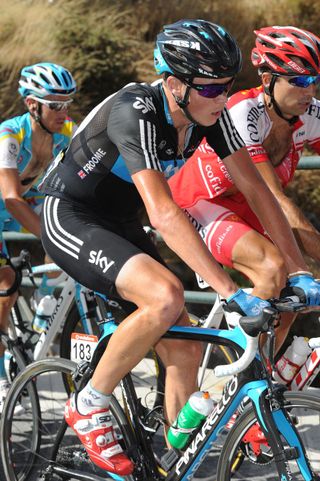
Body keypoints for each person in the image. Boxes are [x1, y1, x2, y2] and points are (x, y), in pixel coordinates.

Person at [39, 20, 320, 475]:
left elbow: (259, 193)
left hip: (120, 222)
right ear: (174, 83)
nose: (222, 98)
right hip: (70, 214)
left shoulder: (211, 115)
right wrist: (229, 293)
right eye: (210, 88)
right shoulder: (136, 110)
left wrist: (300, 270)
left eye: (227, 87)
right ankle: (88, 403)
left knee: (185, 350)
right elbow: (164, 213)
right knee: (166, 296)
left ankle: (174, 462)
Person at [168, 25, 320, 350]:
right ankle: (242, 378)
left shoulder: (311, 114)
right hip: (200, 202)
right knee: (274, 266)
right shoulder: (242, 112)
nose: (310, 90)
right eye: (301, 80)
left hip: (248, 209)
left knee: (292, 294)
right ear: (267, 80)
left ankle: (265, 379)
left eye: (315, 80)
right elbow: (273, 198)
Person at [0, 62, 77, 411]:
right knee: (4, 288)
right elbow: (11, 199)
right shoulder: (10, 135)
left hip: (30, 204)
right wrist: (50, 233)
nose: (64, 112)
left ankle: (44, 313)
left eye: (67, 103)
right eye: (56, 105)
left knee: (70, 234)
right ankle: (3, 374)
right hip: (9, 206)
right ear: (33, 105)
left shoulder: (68, 132)